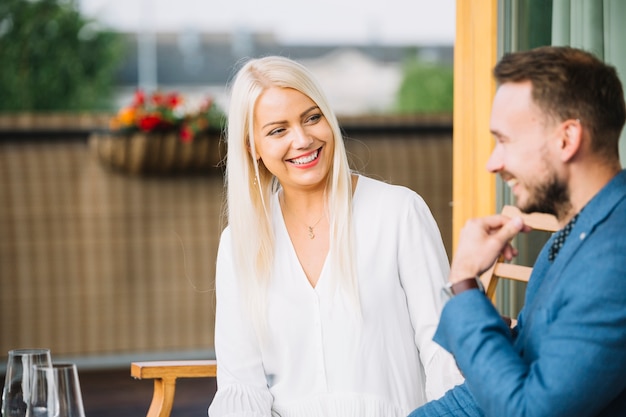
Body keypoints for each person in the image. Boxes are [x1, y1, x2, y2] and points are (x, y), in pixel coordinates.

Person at [208, 55, 464, 417]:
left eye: (312, 118)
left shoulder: (399, 213)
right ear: (253, 147)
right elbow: (241, 384)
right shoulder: (239, 245)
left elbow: (442, 349)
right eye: (278, 130)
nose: (302, 139)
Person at [408, 46, 626, 417]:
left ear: (566, 139)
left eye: (504, 140)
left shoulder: (614, 261)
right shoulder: (574, 235)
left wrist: (463, 281)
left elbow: (524, 410)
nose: (493, 163)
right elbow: (501, 381)